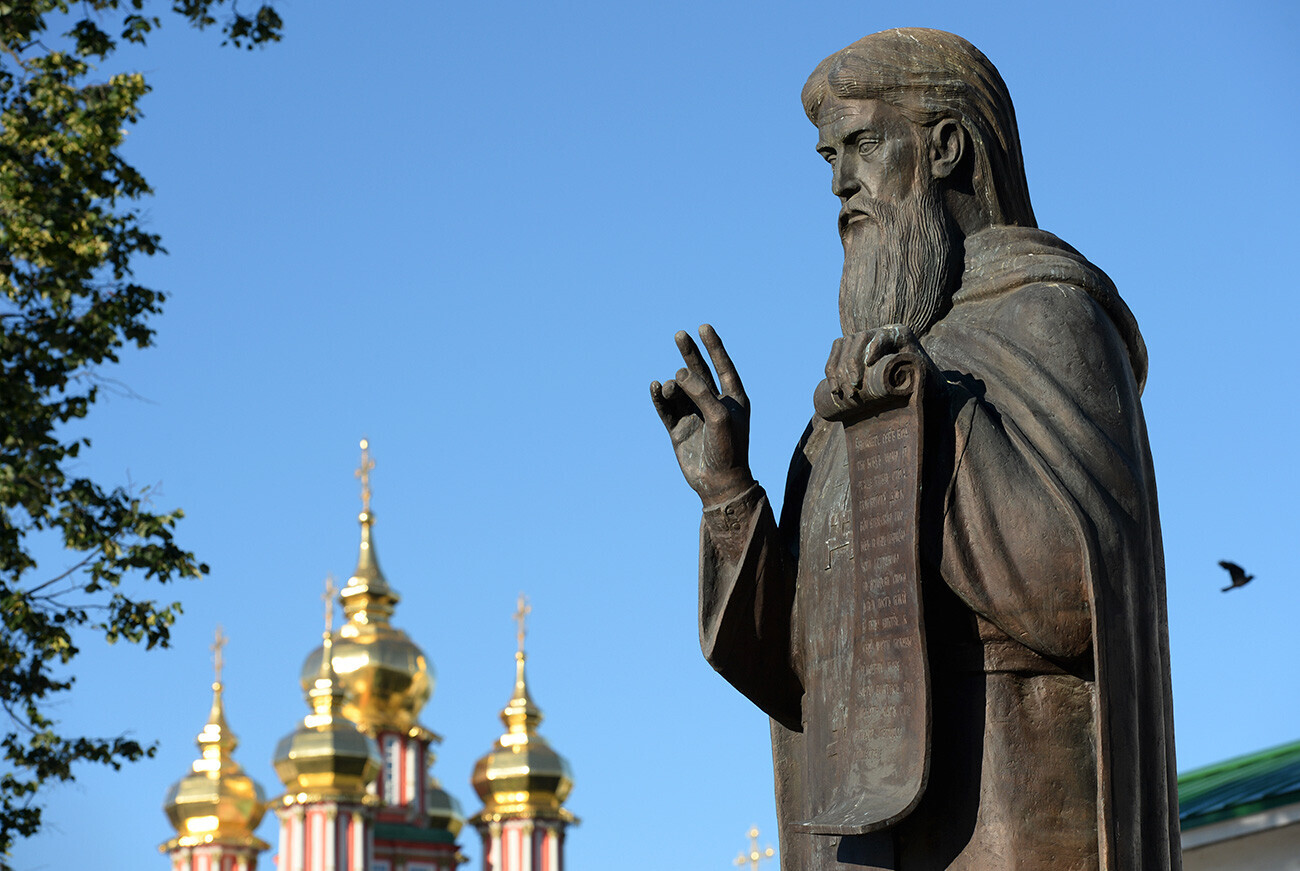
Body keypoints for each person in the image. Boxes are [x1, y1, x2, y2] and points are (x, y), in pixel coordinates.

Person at [650, 28, 1180, 871]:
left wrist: (931, 417)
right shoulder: (860, 385)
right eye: (827, 156)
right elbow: (798, 673)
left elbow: (1076, 597)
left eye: (861, 143)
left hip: (1006, 821)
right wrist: (729, 495)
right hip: (859, 842)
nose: (837, 183)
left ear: (945, 147)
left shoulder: (1050, 319)